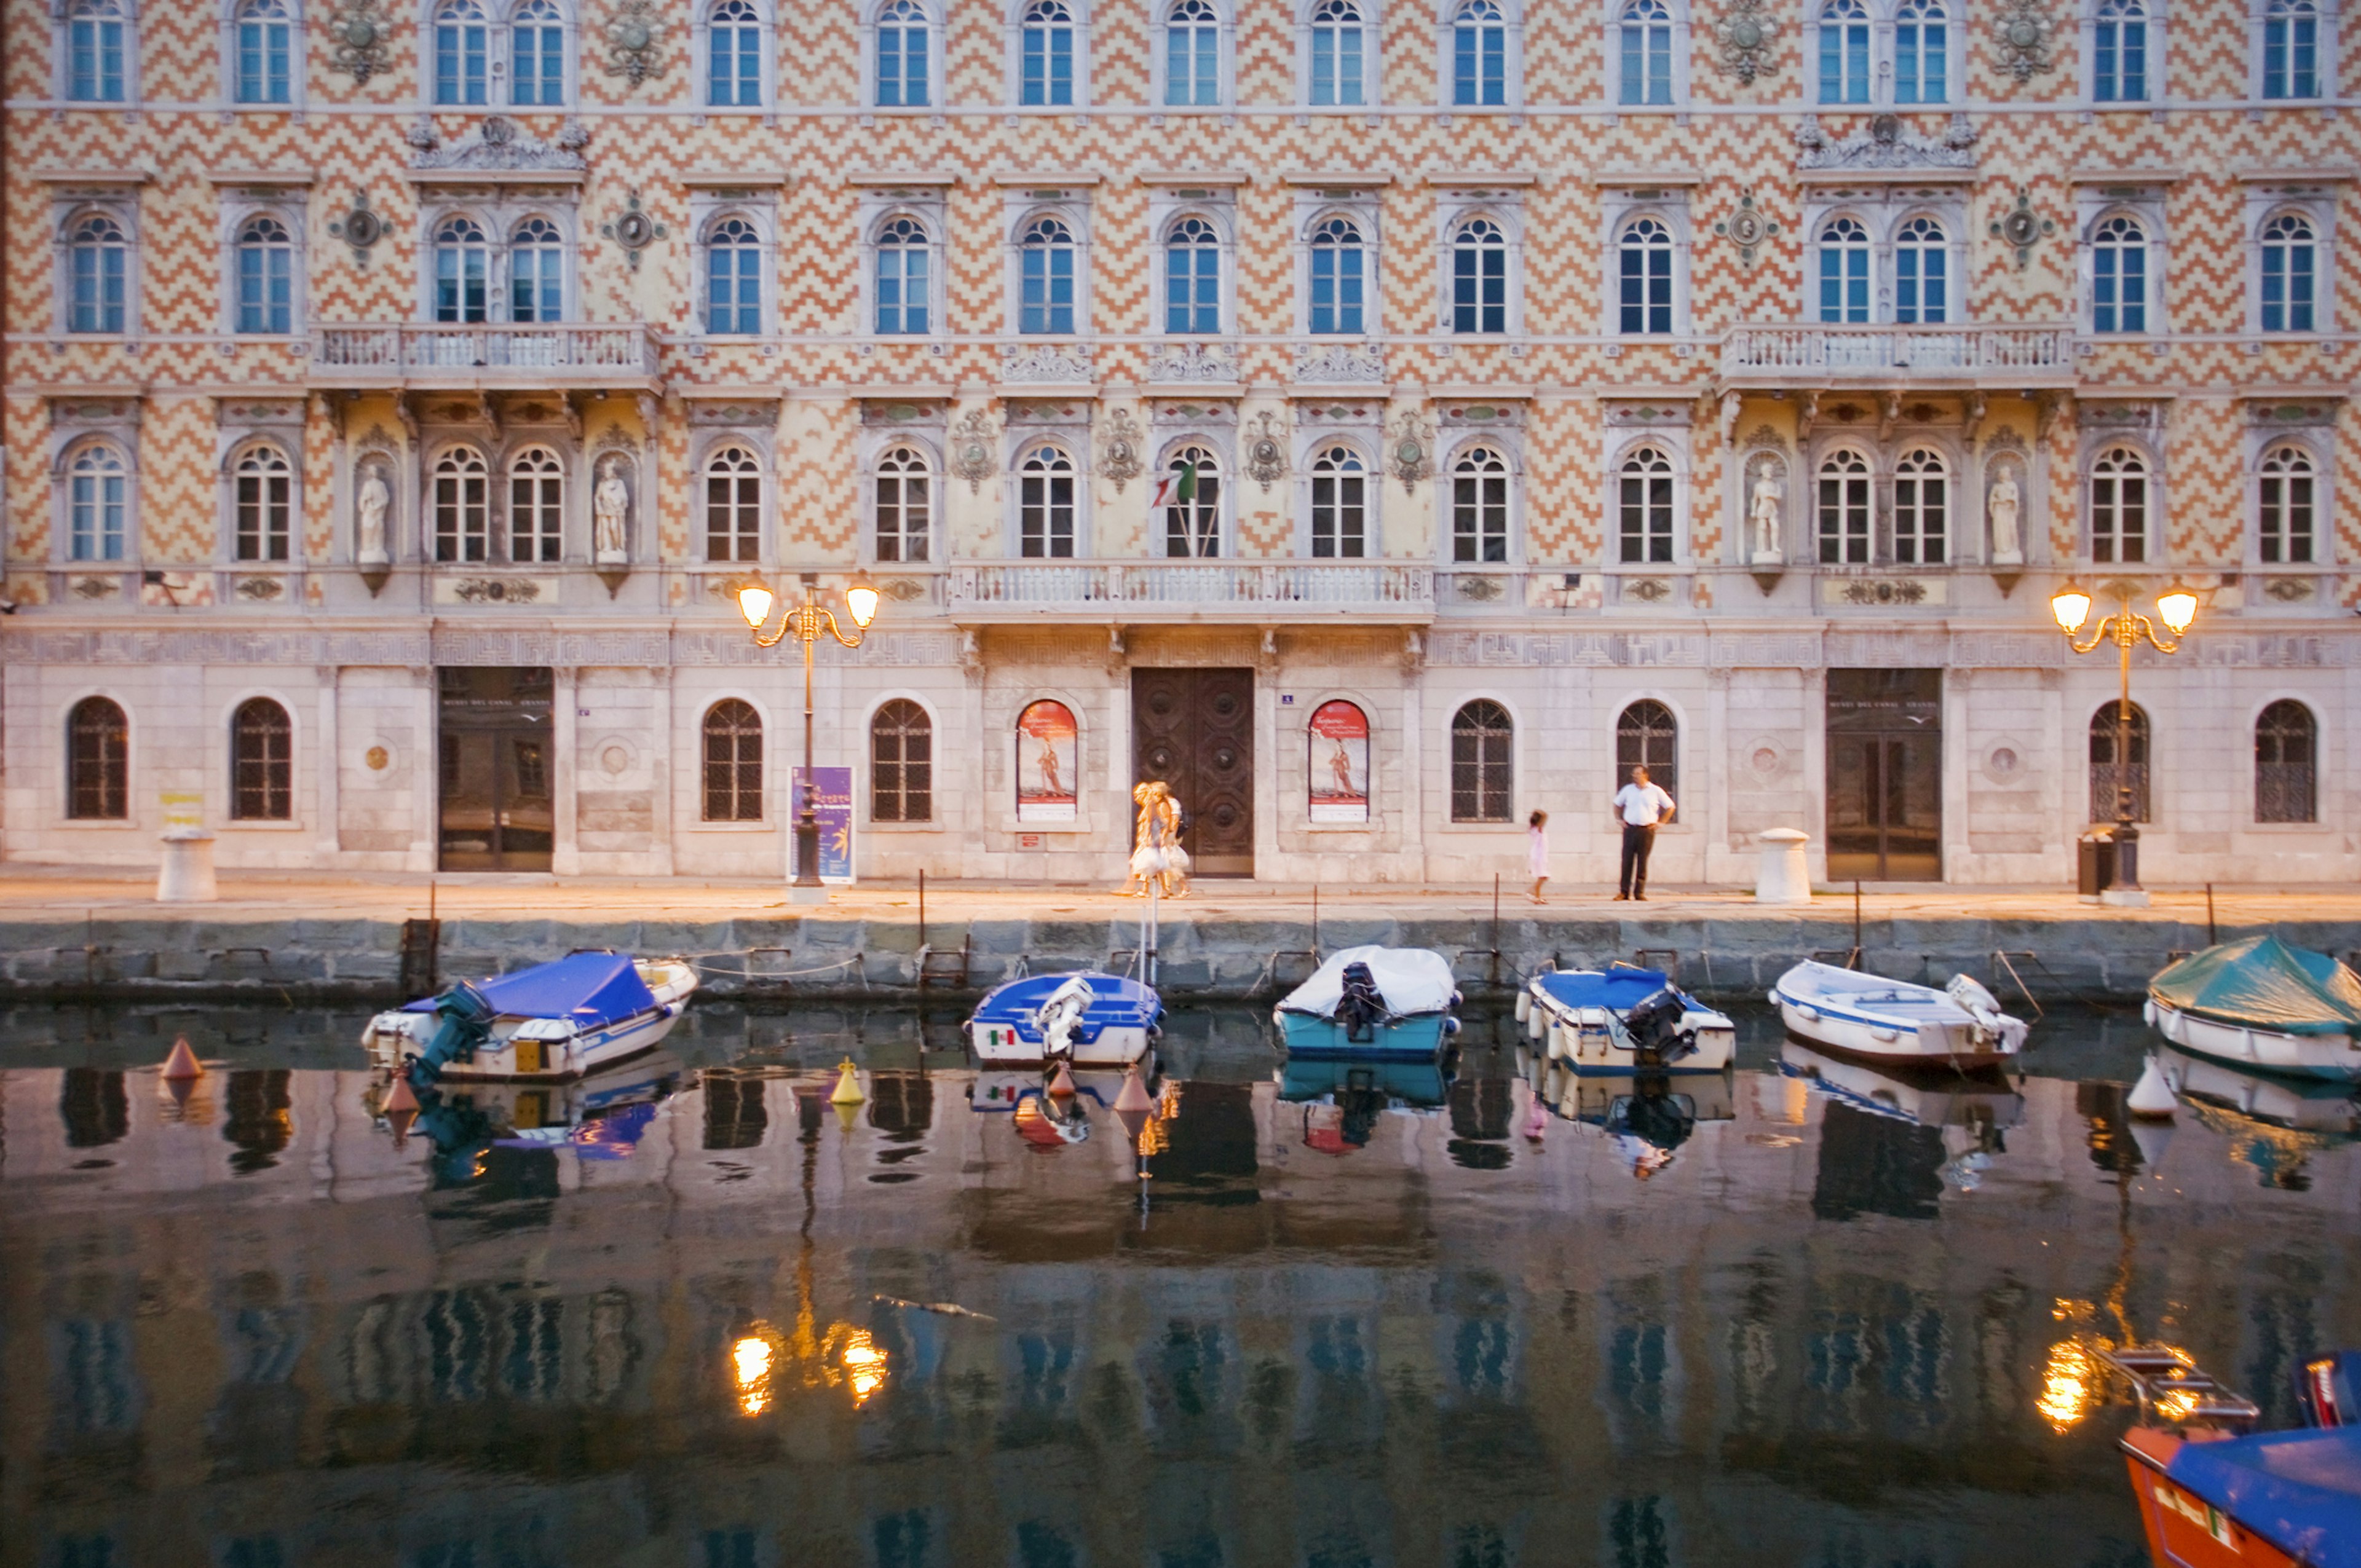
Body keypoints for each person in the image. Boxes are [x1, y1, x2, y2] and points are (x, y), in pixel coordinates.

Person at [1611, 765, 1675, 901]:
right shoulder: (1628, 790)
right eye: (1634, 774)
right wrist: (1618, 819)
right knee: (1627, 861)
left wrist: (1662, 822)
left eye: (1638, 774)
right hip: (1630, 829)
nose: (1635, 776)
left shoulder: (1655, 791)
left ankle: (1639, 892)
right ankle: (1624, 892)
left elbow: (1670, 807)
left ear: (1645, 775)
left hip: (1647, 830)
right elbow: (1617, 804)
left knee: (1642, 862)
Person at [1526, 808, 1551, 904]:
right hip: (1539, 855)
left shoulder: (1533, 829)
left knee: (1542, 877)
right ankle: (1530, 893)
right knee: (1543, 877)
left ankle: (1537, 897)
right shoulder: (1539, 829)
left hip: (1538, 854)